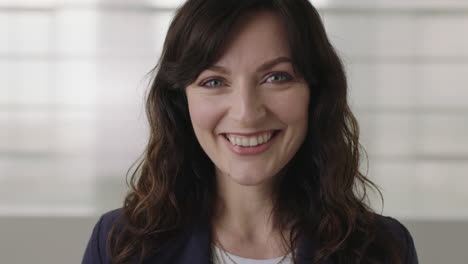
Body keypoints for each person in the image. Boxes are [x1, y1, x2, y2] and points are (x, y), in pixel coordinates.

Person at [83, 0, 418, 263]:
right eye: (214, 81)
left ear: (315, 93)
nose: (246, 114)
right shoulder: (119, 245)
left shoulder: (383, 249)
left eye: (276, 77)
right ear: (181, 102)